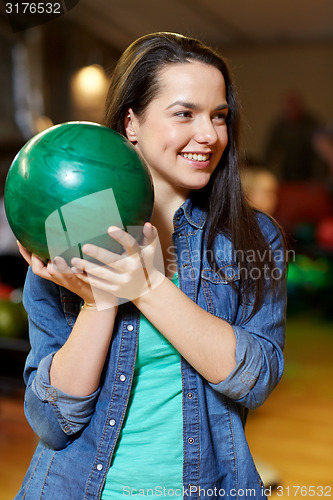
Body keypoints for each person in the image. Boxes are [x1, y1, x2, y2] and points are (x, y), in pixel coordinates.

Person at [15, 32, 287, 499]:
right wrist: (97, 302)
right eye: (185, 113)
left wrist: (146, 286)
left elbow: (256, 380)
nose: (209, 134)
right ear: (131, 123)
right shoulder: (71, 230)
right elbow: (54, 424)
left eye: (219, 116)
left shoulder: (252, 237)